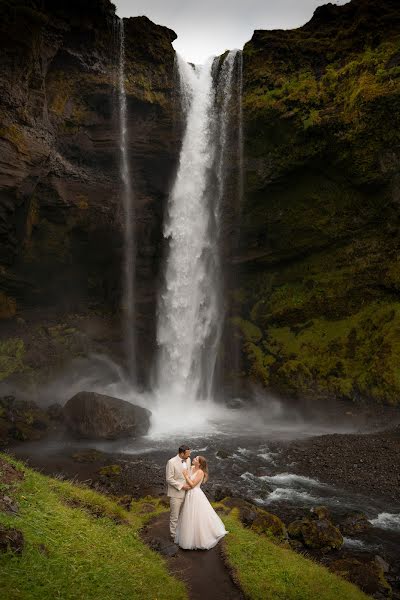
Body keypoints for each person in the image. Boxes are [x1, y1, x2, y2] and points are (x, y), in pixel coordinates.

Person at [174, 455, 228, 550]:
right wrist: (182, 458)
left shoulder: (200, 472)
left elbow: (193, 485)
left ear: (199, 463)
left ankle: (202, 537)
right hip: (189, 495)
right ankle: (189, 535)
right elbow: (184, 466)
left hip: (195, 494)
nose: (193, 459)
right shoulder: (192, 467)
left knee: (198, 515)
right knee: (189, 515)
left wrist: (186, 476)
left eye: (195, 459)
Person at [166, 444, 192, 540]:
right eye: (188, 454)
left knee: (184, 515)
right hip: (176, 494)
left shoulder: (188, 460)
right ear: (181, 453)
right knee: (174, 516)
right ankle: (173, 536)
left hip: (188, 493)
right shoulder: (171, 462)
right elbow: (169, 479)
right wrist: (181, 486)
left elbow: (188, 473)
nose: (189, 456)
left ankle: (182, 534)